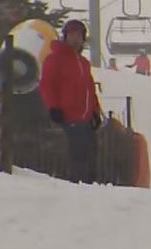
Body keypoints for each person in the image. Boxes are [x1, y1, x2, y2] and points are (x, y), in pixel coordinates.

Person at [39, 19, 104, 184]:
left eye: (79, 36)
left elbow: (90, 90)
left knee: (90, 157)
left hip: (86, 120)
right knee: (77, 157)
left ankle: (89, 187)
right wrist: (53, 107)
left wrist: (95, 111)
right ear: (65, 37)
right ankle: (76, 188)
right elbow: (47, 85)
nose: (75, 39)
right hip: (69, 118)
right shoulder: (55, 59)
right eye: (72, 35)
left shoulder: (83, 64)